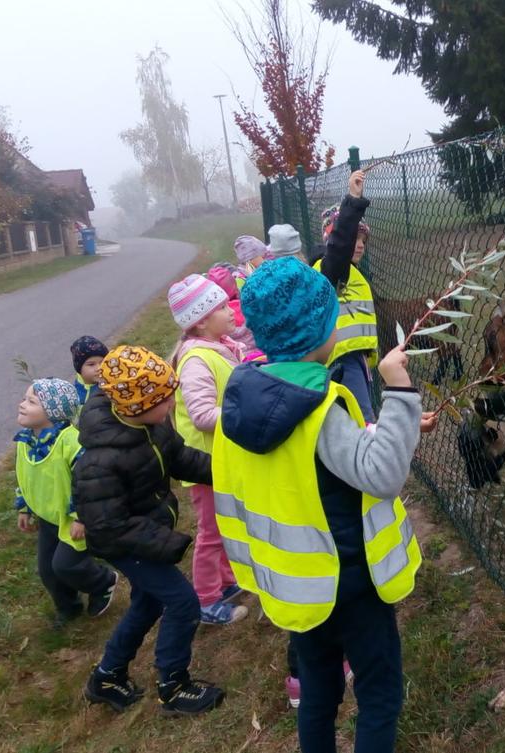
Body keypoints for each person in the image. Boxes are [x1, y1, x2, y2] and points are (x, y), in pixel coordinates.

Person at [213, 257, 435, 752]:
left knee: (318, 689)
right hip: (352, 581)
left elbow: (312, 466)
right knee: (378, 691)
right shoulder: (320, 405)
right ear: (319, 331)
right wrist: (399, 392)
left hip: (297, 584)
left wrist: (375, 435)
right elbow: (380, 473)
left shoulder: (245, 398)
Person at [75, 345, 224, 716]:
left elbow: (181, 458)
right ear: (136, 405)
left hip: (142, 532)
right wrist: (162, 541)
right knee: (182, 601)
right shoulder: (99, 462)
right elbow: (106, 526)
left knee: (148, 601)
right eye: (165, 399)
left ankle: (107, 677)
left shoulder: (152, 425)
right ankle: (173, 686)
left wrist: (229, 471)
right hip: (123, 543)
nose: (172, 404)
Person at [167, 274, 249, 625]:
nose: (232, 311)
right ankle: (205, 599)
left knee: (227, 522)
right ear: (200, 320)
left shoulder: (219, 347)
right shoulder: (197, 359)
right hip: (205, 463)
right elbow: (201, 415)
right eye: (221, 307)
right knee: (212, 531)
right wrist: (246, 413)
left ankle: (226, 582)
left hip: (223, 459)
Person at [15, 378, 118, 628]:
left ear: (53, 411)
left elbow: (87, 481)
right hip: (49, 518)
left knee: (66, 565)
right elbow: (23, 474)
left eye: (31, 401)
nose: (22, 405)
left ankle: (103, 582)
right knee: (47, 571)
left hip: (74, 519)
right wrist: (24, 507)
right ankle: (68, 607)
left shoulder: (71, 442)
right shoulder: (25, 440)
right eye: (24, 399)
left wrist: (81, 517)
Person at [315, 170, 379, 420]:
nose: (360, 244)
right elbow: (340, 244)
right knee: (364, 420)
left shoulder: (348, 272)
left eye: (363, 239)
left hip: (355, 358)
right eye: (354, 238)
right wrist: (353, 199)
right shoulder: (330, 269)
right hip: (343, 360)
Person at [69, 336, 109, 407]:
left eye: (102, 362)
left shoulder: (113, 385)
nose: (99, 368)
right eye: (91, 364)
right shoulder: (74, 395)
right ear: (79, 369)